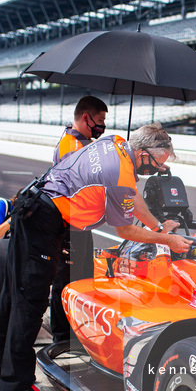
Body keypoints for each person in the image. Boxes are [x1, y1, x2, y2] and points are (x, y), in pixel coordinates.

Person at [0, 123, 191, 391]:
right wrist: (167, 239)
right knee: (29, 302)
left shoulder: (116, 143)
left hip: (34, 206)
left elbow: (132, 197)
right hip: (45, 220)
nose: (157, 171)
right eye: (158, 164)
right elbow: (126, 231)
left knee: (12, 295)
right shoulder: (120, 173)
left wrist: (157, 225)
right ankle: (13, 388)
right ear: (144, 154)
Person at [50, 95, 108, 344]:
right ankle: (63, 337)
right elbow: (82, 188)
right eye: (101, 120)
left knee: (82, 278)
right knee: (68, 281)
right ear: (86, 118)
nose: (103, 125)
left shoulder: (81, 145)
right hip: (70, 224)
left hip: (80, 224)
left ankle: (75, 334)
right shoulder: (72, 147)